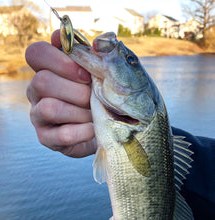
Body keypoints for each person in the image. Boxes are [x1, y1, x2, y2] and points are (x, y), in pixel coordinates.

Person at [25, 30, 215, 220]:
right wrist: (96, 126)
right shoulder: (140, 129)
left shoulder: (142, 130)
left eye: (131, 61)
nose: (127, 59)